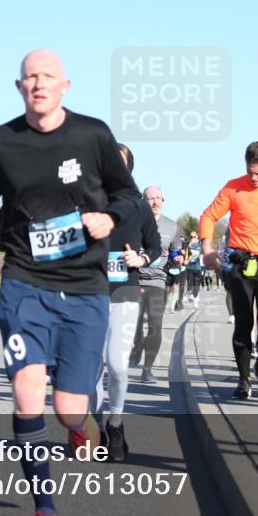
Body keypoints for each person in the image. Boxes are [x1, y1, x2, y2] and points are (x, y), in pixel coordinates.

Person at [0, 49, 141, 516]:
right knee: (25, 392)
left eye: (48, 77)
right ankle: (44, 511)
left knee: (67, 408)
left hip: (84, 286)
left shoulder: (93, 135)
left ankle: (80, 424)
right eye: (29, 77)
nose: (38, 84)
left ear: (66, 85)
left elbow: (125, 194)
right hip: (23, 281)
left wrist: (110, 217)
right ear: (18, 87)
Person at [201, 142, 258, 399]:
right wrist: (207, 248)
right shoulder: (234, 187)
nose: (254, 178)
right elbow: (208, 216)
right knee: (243, 324)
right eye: (250, 172)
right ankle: (244, 379)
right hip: (241, 266)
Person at [95, 144, 161, 461]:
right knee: (91, 369)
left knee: (118, 365)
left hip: (125, 290)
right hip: (88, 293)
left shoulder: (138, 205)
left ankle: (116, 423)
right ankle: (91, 430)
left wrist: (141, 257)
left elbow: (155, 245)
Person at [130, 186, 183, 383]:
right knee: (133, 325)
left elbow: (176, 250)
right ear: (143, 201)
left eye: (158, 198)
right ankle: (136, 346)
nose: (155, 202)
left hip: (157, 281)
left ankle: (147, 369)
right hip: (134, 279)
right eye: (150, 199)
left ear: (163, 200)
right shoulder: (133, 222)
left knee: (155, 326)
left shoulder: (171, 226)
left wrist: (177, 258)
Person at [185, 231, 204, 308]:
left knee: (196, 284)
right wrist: (189, 247)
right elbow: (186, 257)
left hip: (197, 267)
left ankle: (195, 300)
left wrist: (202, 259)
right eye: (191, 237)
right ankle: (189, 292)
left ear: (197, 236)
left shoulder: (200, 245)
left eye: (194, 237)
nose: (193, 238)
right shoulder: (189, 245)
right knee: (190, 283)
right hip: (189, 267)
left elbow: (202, 255)